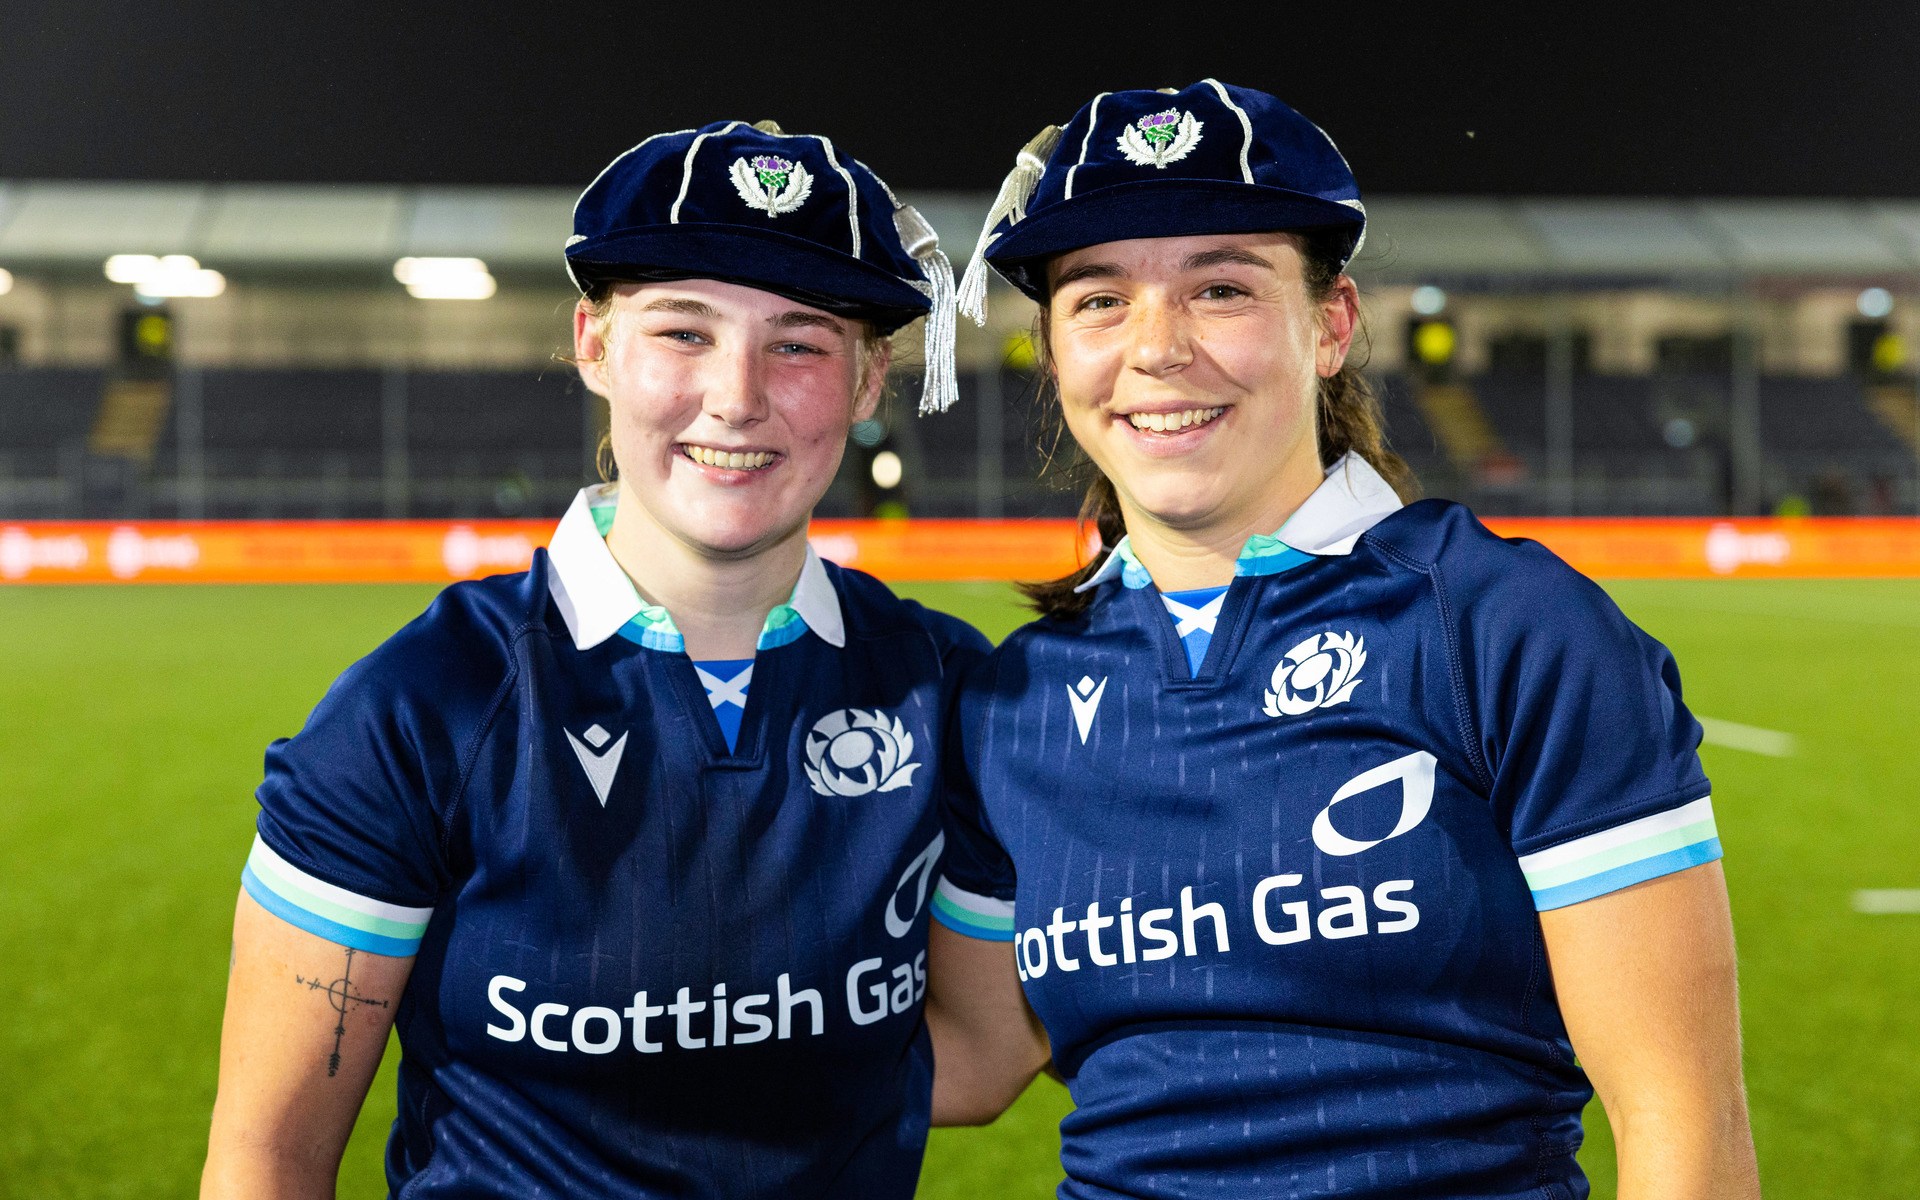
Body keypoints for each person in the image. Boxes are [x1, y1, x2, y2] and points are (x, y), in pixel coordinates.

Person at [927, 81, 1760, 1199]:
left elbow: (1681, 1122)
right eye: (1099, 300)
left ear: (1330, 326)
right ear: (1054, 351)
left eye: (1222, 288)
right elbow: (975, 1058)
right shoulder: (1016, 697)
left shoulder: (1504, 627)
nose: (1157, 348)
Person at [201, 119, 985, 1199]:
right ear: (592, 345)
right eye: (682, 331)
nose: (737, 395)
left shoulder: (947, 686)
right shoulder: (417, 710)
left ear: (866, 383)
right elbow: (268, 1160)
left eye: (799, 342)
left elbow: (988, 1052)